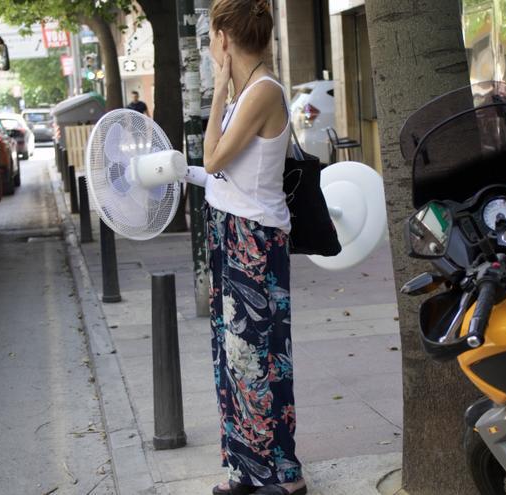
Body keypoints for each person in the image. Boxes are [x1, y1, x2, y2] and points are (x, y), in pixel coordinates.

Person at [202, 1, 306, 494]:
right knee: (234, 355)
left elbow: (214, 158)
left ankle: (282, 476)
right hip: (233, 233)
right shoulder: (248, 91)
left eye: (211, 35)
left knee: (259, 357)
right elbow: (221, 173)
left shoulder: (262, 91)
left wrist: (218, 87)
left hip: (254, 239)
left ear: (224, 38)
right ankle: (247, 469)